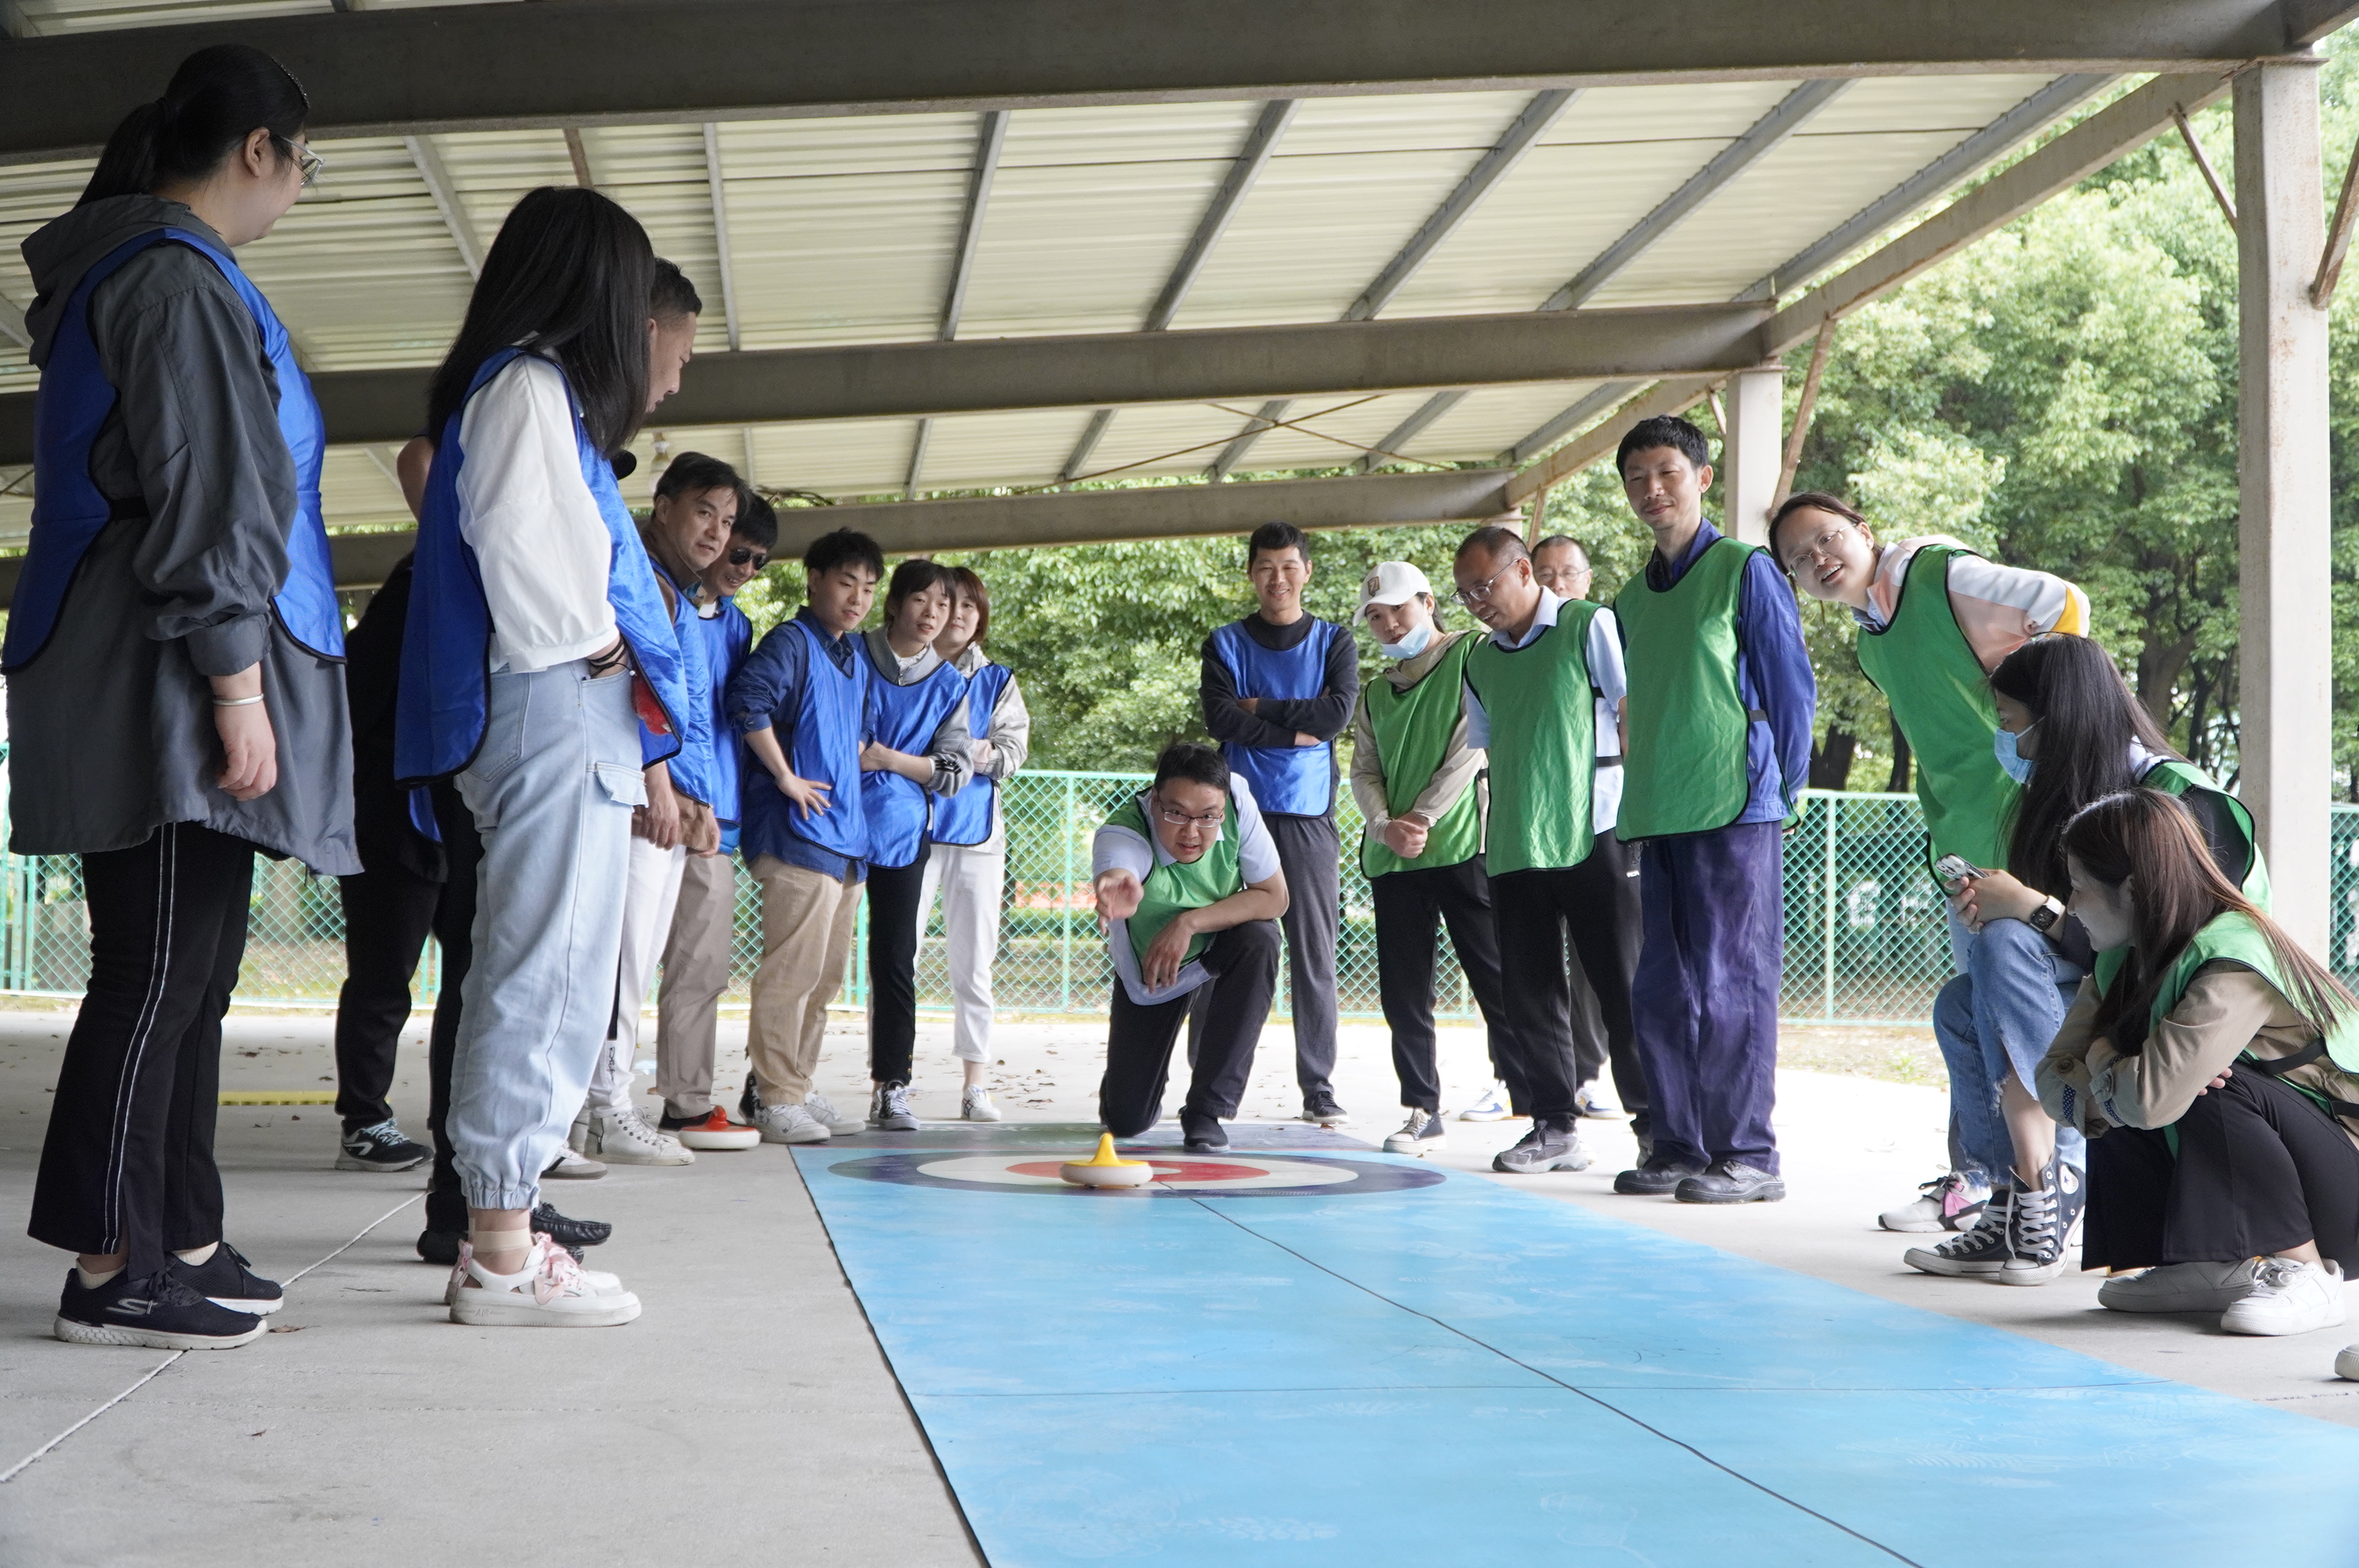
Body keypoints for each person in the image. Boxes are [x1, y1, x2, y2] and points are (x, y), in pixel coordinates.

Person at [15, 45, 354, 1352]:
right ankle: (111, 1266)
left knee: (194, 972)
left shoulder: (161, 273)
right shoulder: (172, 279)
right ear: (258, 150)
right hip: (156, 672)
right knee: (152, 968)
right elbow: (210, 496)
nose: (301, 189)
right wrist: (236, 681)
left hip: (143, 659)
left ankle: (180, 1233)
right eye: (304, 163)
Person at [396, 184, 692, 1327]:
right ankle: (503, 1251)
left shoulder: (534, 393)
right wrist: (615, 648)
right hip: (557, 701)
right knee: (544, 972)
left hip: (571, 710)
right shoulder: (524, 387)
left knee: (550, 971)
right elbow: (538, 579)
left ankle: (504, 1235)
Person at [1768, 490, 2090, 1236]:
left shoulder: (1941, 574)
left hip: (2028, 832)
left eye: (1827, 538)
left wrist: (2040, 728)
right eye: (1798, 559)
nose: (1818, 560)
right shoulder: (1870, 640)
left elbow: (2064, 603)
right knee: (1973, 1013)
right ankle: (1988, 1182)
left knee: (2031, 1011)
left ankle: (2060, 1176)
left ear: (1862, 530)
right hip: (1962, 842)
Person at [1902, 633, 2263, 1285]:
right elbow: (2095, 943)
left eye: (2011, 720)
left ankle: (2061, 1174)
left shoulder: (2182, 800)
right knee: (1960, 1003)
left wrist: (2033, 911)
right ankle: (2015, 1190)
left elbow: (2182, 943)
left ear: (2057, 717)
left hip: (2185, 1003)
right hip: (2117, 989)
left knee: (2007, 944)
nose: (2008, 740)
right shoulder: (2073, 795)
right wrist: (2009, 907)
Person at [2037, 789, 2359, 1342]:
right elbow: (2049, 1078)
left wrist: (2104, 1060)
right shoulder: (2122, 956)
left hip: (2345, 1191)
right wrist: (2115, 1078)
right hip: (2304, 1172)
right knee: (2145, 1082)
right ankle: (2209, 1263)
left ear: (2132, 890)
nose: (2071, 904)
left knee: (2213, 1085)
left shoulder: (2234, 956)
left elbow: (2148, 1098)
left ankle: (2306, 1270)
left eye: (2079, 885)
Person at [1611, 415, 1816, 1204]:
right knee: (1660, 987)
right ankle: (1677, 1144)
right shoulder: (1630, 598)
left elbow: (1790, 687)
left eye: (1666, 471)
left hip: (1736, 806)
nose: (1651, 489)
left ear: (1701, 477)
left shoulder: (1744, 569)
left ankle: (1747, 1153)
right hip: (1658, 809)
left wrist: (1785, 790)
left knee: (1733, 981)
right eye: (1636, 477)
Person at [1450, 530, 1647, 1174]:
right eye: (1465, 594)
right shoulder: (1479, 660)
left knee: (1622, 988)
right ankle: (1553, 1126)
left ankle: (1657, 1128)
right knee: (1529, 993)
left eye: (1485, 586)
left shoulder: (1588, 625)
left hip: (1597, 829)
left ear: (1523, 570)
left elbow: (1631, 711)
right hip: (1514, 841)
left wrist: (1642, 812)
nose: (1477, 602)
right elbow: (1492, 744)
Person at [573, 443, 736, 1167]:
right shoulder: (645, 583)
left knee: (634, 963)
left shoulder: (678, 593)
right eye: (704, 513)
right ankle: (603, 1106)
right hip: (643, 800)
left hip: (674, 799)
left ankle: (600, 1107)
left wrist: (696, 798)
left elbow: (685, 708)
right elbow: (635, 693)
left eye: (727, 521)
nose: (716, 533)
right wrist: (659, 786)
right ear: (663, 508)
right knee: (622, 962)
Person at [1349, 562, 1518, 1158]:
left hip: (1463, 846)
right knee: (1404, 993)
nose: (1389, 624)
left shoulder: (1472, 655)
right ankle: (1422, 1107)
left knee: (1498, 979)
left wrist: (1419, 819)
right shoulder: (1375, 692)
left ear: (1427, 602)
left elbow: (1472, 746)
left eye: (1398, 609)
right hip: (1395, 858)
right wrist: (1383, 827)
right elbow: (1363, 770)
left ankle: (1544, 1105)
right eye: (1376, 616)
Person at [727, 528, 885, 1147]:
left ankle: (796, 1082)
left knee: (824, 977)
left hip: (844, 839)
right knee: (791, 973)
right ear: (815, 580)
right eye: (846, 582)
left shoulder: (853, 656)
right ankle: (775, 1097)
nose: (858, 598)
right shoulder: (792, 642)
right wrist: (785, 775)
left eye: (868, 588)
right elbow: (747, 701)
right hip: (796, 834)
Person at [1200, 521, 1358, 1127]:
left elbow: (1335, 714)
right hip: (1236, 815)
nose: (1278, 578)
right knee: (1217, 944)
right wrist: (1296, 732)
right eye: (1266, 567)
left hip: (1307, 815)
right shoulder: (1225, 643)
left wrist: (1262, 707)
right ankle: (1209, 1085)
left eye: (1289, 566)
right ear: (1251, 573)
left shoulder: (1335, 641)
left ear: (1307, 571)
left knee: (1314, 954)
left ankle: (1319, 1087)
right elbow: (1221, 719)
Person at [655, 489, 776, 1149]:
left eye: (759, 560)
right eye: (738, 552)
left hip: (716, 824)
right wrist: (675, 790)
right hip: (661, 806)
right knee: (617, 965)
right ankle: (589, 1106)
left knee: (701, 968)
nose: (745, 568)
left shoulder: (736, 626)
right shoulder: (660, 599)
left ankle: (686, 1103)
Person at [1092, 743, 1289, 1152]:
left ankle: (1207, 1110)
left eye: (1207, 817)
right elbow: (1118, 864)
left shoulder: (1237, 800)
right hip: (1155, 968)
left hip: (1218, 941)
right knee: (1127, 1120)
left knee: (1261, 938)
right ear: (1154, 800)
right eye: (1176, 813)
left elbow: (1275, 897)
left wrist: (1188, 922)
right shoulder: (1123, 831)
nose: (1191, 832)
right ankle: (1131, 1080)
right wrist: (1115, 881)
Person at [857, 559, 974, 1130]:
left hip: (903, 832)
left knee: (895, 960)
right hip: (831, 822)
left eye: (943, 604)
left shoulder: (949, 685)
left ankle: (892, 1086)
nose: (933, 613)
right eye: (922, 600)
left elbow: (956, 770)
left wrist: (887, 759)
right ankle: (778, 1083)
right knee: (813, 961)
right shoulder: (851, 655)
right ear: (895, 603)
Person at [918, 565, 1033, 1123]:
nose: (959, 613)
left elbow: (1012, 751)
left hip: (977, 835)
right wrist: (971, 750)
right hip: (913, 832)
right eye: (949, 602)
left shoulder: (998, 680)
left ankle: (975, 1085)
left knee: (974, 966)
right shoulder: (904, 671)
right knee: (897, 962)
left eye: (970, 604)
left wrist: (971, 754)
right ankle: (890, 1081)